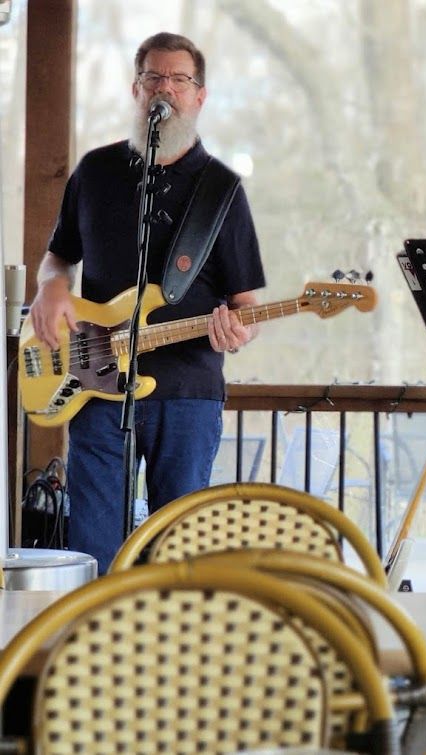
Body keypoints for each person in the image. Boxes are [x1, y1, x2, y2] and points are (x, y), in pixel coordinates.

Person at [27, 32, 265, 573]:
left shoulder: (222, 189)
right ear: (136, 89)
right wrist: (51, 286)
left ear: (199, 96)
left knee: (176, 551)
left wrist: (239, 331)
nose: (165, 89)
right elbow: (58, 257)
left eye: (179, 79)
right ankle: (98, 628)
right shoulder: (95, 172)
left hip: (187, 394)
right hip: (96, 387)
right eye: (154, 77)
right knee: (93, 548)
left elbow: (246, 304)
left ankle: (168, 629)